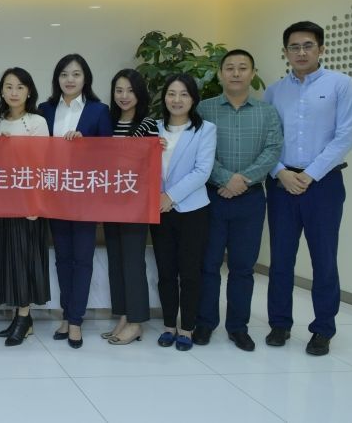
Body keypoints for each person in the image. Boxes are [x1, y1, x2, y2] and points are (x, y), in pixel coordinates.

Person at [264, 21, 352, 356]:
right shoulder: (274, 91)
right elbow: (267, 140)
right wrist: (280, 172)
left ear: (321, 48)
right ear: (286, 52)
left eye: (307, 45)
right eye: (294, 47)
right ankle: (279, 324)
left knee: (324, 259)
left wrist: (311, 174)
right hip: (281, 184)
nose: (301, 52)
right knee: (280, 259)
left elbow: (345, 136)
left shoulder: (340, 84)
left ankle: (323, 329)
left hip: (324, 185)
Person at [193, 50, 282, 352]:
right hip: (211, 197)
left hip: (251, 199)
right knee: (208, 264)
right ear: (220, 73)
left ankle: (238, 327)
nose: (235, 73)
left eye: (243, 68)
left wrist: (242, 180)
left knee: (243, 268)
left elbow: (273, 150)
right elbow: (197, 151)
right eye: (229, 68)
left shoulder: (267, 112)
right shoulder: (203, 108)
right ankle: (205, 322)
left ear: (252, 73)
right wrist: (224, 179)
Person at [37, 53, 113, 348]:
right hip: (54, 195)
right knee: (62, 258)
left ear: (86, 79)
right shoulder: (45, 109)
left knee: (82, 259)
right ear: (57, 78)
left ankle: (76, 320)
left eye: (76, 74)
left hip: (85, 197)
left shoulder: (98, 110)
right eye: (64, 74)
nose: (70, 79)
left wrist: (86, 146)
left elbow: (108, 156)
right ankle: (67, 315)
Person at [0, 67, 50, 347]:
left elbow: (42, 164)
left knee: (24, 259)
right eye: (9, 87)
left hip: (27, 200)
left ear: (29, 91)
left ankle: (24, 317)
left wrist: (36, 201)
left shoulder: (36, 122)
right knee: (6, 259)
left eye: (20, 87)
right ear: (1, 90)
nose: (14, 92)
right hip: (1, 200)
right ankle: (20, 318)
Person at [153, 73, 216, 351]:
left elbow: (202, 171)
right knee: (165, 271)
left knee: (190, 272)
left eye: (183, 94)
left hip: (192, 210)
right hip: (158, 210)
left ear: (193, 99)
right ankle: (169, 325)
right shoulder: (154, 129)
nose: (176, 100)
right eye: (171, 94)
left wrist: (170, 196)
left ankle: (187, 327)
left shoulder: (206, 130)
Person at [102, 69, 159, 345]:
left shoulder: (148, 124)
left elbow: (151, 165)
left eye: (130, 91)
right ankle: (123, 316)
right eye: (119, 90)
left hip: (135, 203)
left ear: (140, 94)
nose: (124, 96)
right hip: (109, 202)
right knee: (116, 261)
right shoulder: (108, 122)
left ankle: (136, 322)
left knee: (133, 262)